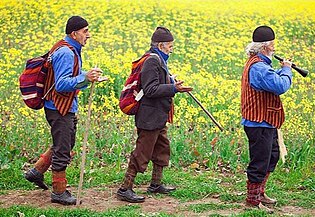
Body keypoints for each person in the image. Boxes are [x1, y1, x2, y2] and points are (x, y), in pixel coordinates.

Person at [24, 16, 103, 205]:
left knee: (65, 143)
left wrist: (87, 79)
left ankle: (36, 171)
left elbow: (67, 79)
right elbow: (61, 84)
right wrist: (85, 76)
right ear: (74, 34)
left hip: (61, 106)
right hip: (59, 108)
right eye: (85, 31)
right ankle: (59, 192)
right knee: (63, 149)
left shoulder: (67, 47)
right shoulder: (66, 53)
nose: (88, 35)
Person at [116, 27, 193, 203]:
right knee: (142, 152)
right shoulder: (152, 61)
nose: (172, 49)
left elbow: (156, 83)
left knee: (161, 148)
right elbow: (150, 89)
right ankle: (124, 189)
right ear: (161, 45)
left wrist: (172, 82)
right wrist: (174, 88)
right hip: (149, 117)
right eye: (170, 46)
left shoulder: (159, 59)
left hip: (158, 116)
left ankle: (156, 184)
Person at [241, 25, 292, 212]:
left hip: (266, 121)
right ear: (264, 47)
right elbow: (279, 86)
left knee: (272, 156)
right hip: (258, 122)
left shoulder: (260, 64)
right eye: (272, 45)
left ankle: (260, 192)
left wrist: (280, 70)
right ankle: (252, 201)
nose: (274, 48)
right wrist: (287, 70)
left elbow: (269, 80)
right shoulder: (259, 67)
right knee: (260, 161)